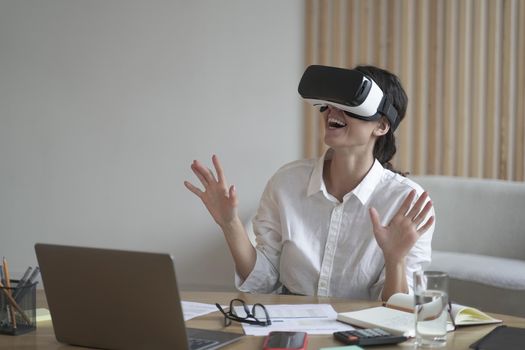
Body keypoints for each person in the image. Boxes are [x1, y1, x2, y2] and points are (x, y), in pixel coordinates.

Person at [184, 65, 435, 301]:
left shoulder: (407, 204)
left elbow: (398, 313)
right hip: (291, 329)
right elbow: (262, 283)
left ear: (381, 125)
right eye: (329, 103)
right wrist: (230, 224)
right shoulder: (286, 183)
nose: (331, 111)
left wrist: (395, 259)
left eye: (348, 104)